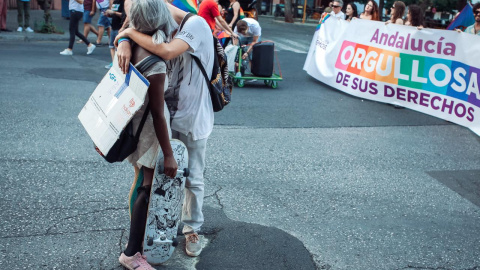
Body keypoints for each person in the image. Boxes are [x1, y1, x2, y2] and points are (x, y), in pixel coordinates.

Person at [115, 1, 215, 258]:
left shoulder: (196, 25)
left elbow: (168, 52)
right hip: (163, 119)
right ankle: (148, 232)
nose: (147, 30)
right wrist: (124, 39)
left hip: (192, 118)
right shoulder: (155, 22)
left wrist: (128, 34)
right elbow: (129, 28)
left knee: (192, 177)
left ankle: (192, 228)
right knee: (154, 178)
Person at [117, 0, 178, 268]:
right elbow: (158, 113)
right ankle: (132, 254)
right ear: (159, 18)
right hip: (149, 131)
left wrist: (124, 39)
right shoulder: (155, 62)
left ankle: (136, 247)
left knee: (142, 181)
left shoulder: (131, 45)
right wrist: (168, 154)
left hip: (133, 123)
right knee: (146, 186)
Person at [104, 0, 125, 68]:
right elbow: (113, 14)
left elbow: (124, 15)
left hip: (120, 27)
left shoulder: (123, 2)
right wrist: (108, 14)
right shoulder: (115, 2)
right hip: (113, 26)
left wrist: (114, 12)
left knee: (118, 47)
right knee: (111, 46)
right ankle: (114, 63)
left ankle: (118, 64)